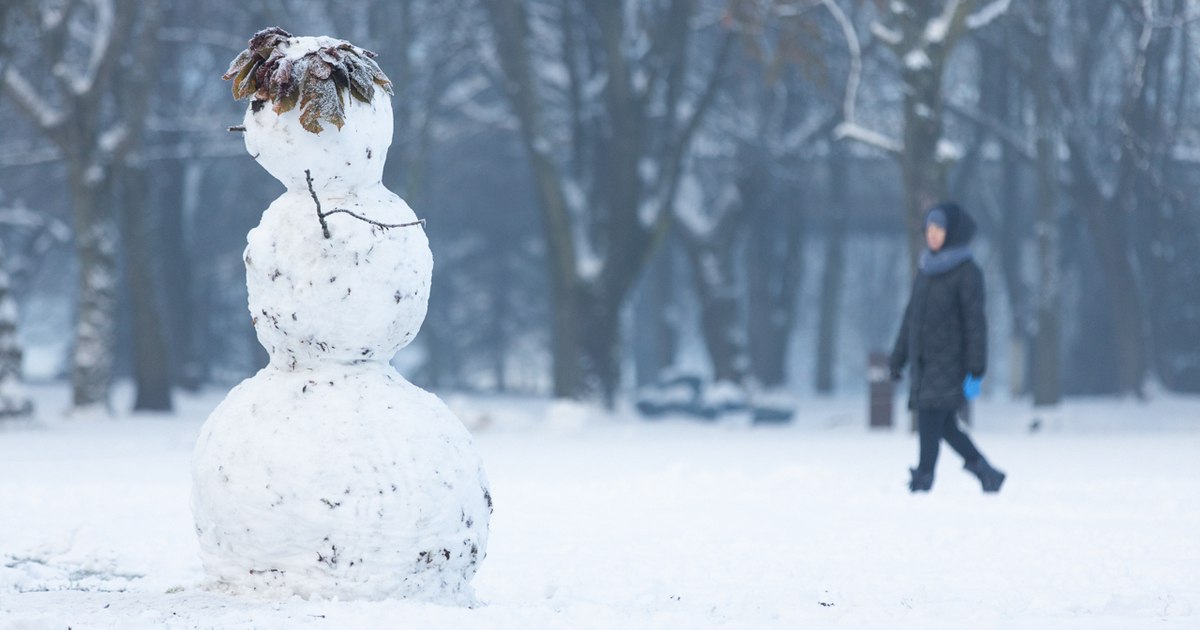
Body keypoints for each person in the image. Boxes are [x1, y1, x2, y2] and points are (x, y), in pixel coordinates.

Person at [889, 202, 1005, 493]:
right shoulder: (926, 269)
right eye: (929, 229)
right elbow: (911, 317)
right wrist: (898, 356)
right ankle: (985, 471)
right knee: (944, 425)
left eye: (939, 229)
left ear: (952, 232)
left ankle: (924, 476)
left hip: (951, 362)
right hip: (924, 361)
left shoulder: (967, 272)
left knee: (931, 416)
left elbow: (975, 323)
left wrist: (975, 367)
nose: (933, 235)